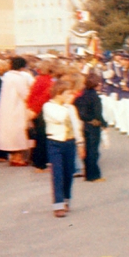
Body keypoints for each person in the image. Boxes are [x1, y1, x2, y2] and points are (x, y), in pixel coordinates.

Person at [42, 79, 83, 217]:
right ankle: (58, 204)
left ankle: (66, 199)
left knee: (68, 173)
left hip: (69, 142)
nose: (68, 97)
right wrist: (67, 106)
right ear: (58, 94)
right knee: (57, 173)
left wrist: (80, 143)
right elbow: (59, 118)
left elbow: (76, 126)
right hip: (55, 142)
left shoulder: (70, 108)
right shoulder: (49, 106)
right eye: (66, 94)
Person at [0, 57, 34, 166]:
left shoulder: (7, 76)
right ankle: (18, 158)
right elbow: (25, 94)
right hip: (17, 108)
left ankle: (12, 156)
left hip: (6, 107)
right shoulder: (19, 78)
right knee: (18, 132)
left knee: (9, 132)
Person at [73, 73, 106, 182]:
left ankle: (87, 173)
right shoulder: (95, 97)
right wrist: (104, 123)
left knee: (87, 150)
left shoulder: (82, 95)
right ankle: (94, 175)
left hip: (83, 124)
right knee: (93, 151)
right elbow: (98, 114)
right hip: (93, 125)